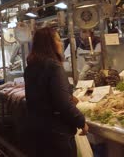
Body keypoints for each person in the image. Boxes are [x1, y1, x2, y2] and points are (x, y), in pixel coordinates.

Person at [25, 27, 88, 157]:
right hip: (57, 133)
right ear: (50, 44)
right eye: (58, 40)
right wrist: (81, 121)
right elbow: (62, 103)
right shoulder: (54, 66)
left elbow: (43, 95)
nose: (61, 43)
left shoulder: (31, 66)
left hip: (37, 131)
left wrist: (68, 95)